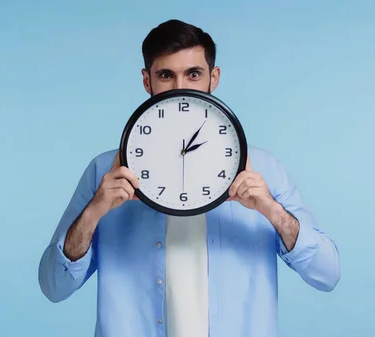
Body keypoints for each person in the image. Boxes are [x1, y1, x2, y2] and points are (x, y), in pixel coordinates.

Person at [38, 19, 340, 337]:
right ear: (147, 81)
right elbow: (53, 287)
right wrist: (95, 210)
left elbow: (327, 274)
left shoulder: (263, 167)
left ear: (214, 77)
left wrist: (271, 209)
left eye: (193, 74)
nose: (180, 88)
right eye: (166, 75)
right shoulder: (106, 172)